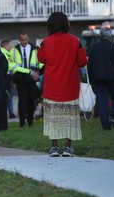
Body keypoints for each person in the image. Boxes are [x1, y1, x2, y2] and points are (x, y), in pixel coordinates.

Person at [37, 12, 88, 157]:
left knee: (52, 117)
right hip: (70, 86)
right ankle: (67, 147)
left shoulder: (46, 42)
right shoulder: (75, 41)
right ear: (66, 23)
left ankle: (54, 147)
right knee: (70, 117)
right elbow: (83, 61)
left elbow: (41, 59)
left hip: (52, 86)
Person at [87, 27, 114, 130]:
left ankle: (106, 126)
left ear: (100, 35)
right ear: (110, 35)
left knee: (102, 102)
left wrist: (91, 80)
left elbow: (90, 65)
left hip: (99, 79)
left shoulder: (93, 48)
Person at [11, 32, 40, 127]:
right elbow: (11, 64)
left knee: (32, 100)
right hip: (20, 78)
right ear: (19, 40)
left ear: (28, 39)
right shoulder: (14, 50)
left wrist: (38, 73)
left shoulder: (34, 49)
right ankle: (22, 122)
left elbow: (40, 62)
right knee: (22, 100)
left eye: (25, 39)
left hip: (31, 78)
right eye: (22, 40)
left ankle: (30, 120)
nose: (23, 42)